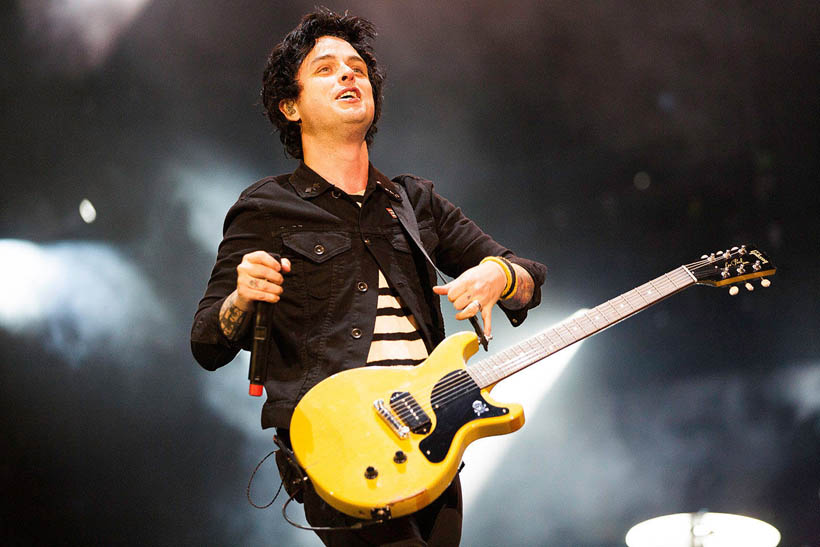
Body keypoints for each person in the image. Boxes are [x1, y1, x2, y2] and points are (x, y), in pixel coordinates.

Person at [191, 9, 547, 546]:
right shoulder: (266, 207)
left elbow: (529, 277)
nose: (348, 75)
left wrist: (498, 275)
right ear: (291, 107)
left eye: (357, 67)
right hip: (341, 444)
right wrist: (242, 296)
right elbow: (208, 341)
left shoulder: (414, 201)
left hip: (431, 444)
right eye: (327, 68)